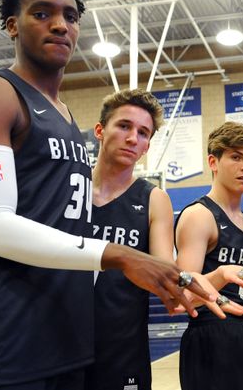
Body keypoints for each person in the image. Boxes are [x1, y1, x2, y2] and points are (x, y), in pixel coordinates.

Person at [0, 0, 218, 389]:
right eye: (42, 14)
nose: (60, 25)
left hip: (66, 336)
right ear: (12, 25)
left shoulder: (64, 117)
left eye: (70, 16)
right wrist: (119, 254)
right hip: (4, 338)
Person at [175, 121, 243, 390]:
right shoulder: (199, 216)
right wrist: (222, 274)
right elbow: (184, 297)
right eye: (236, 157)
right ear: (213, 162)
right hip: (212, 339)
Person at [83, 89, 176, 390]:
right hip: (60, 344)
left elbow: (166, 275)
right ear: (100, 130)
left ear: (147, 145)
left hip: (122, 352)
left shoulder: (154, 199)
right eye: (124, 126)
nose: (133, 138)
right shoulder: (68, 187)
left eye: (143, 132)